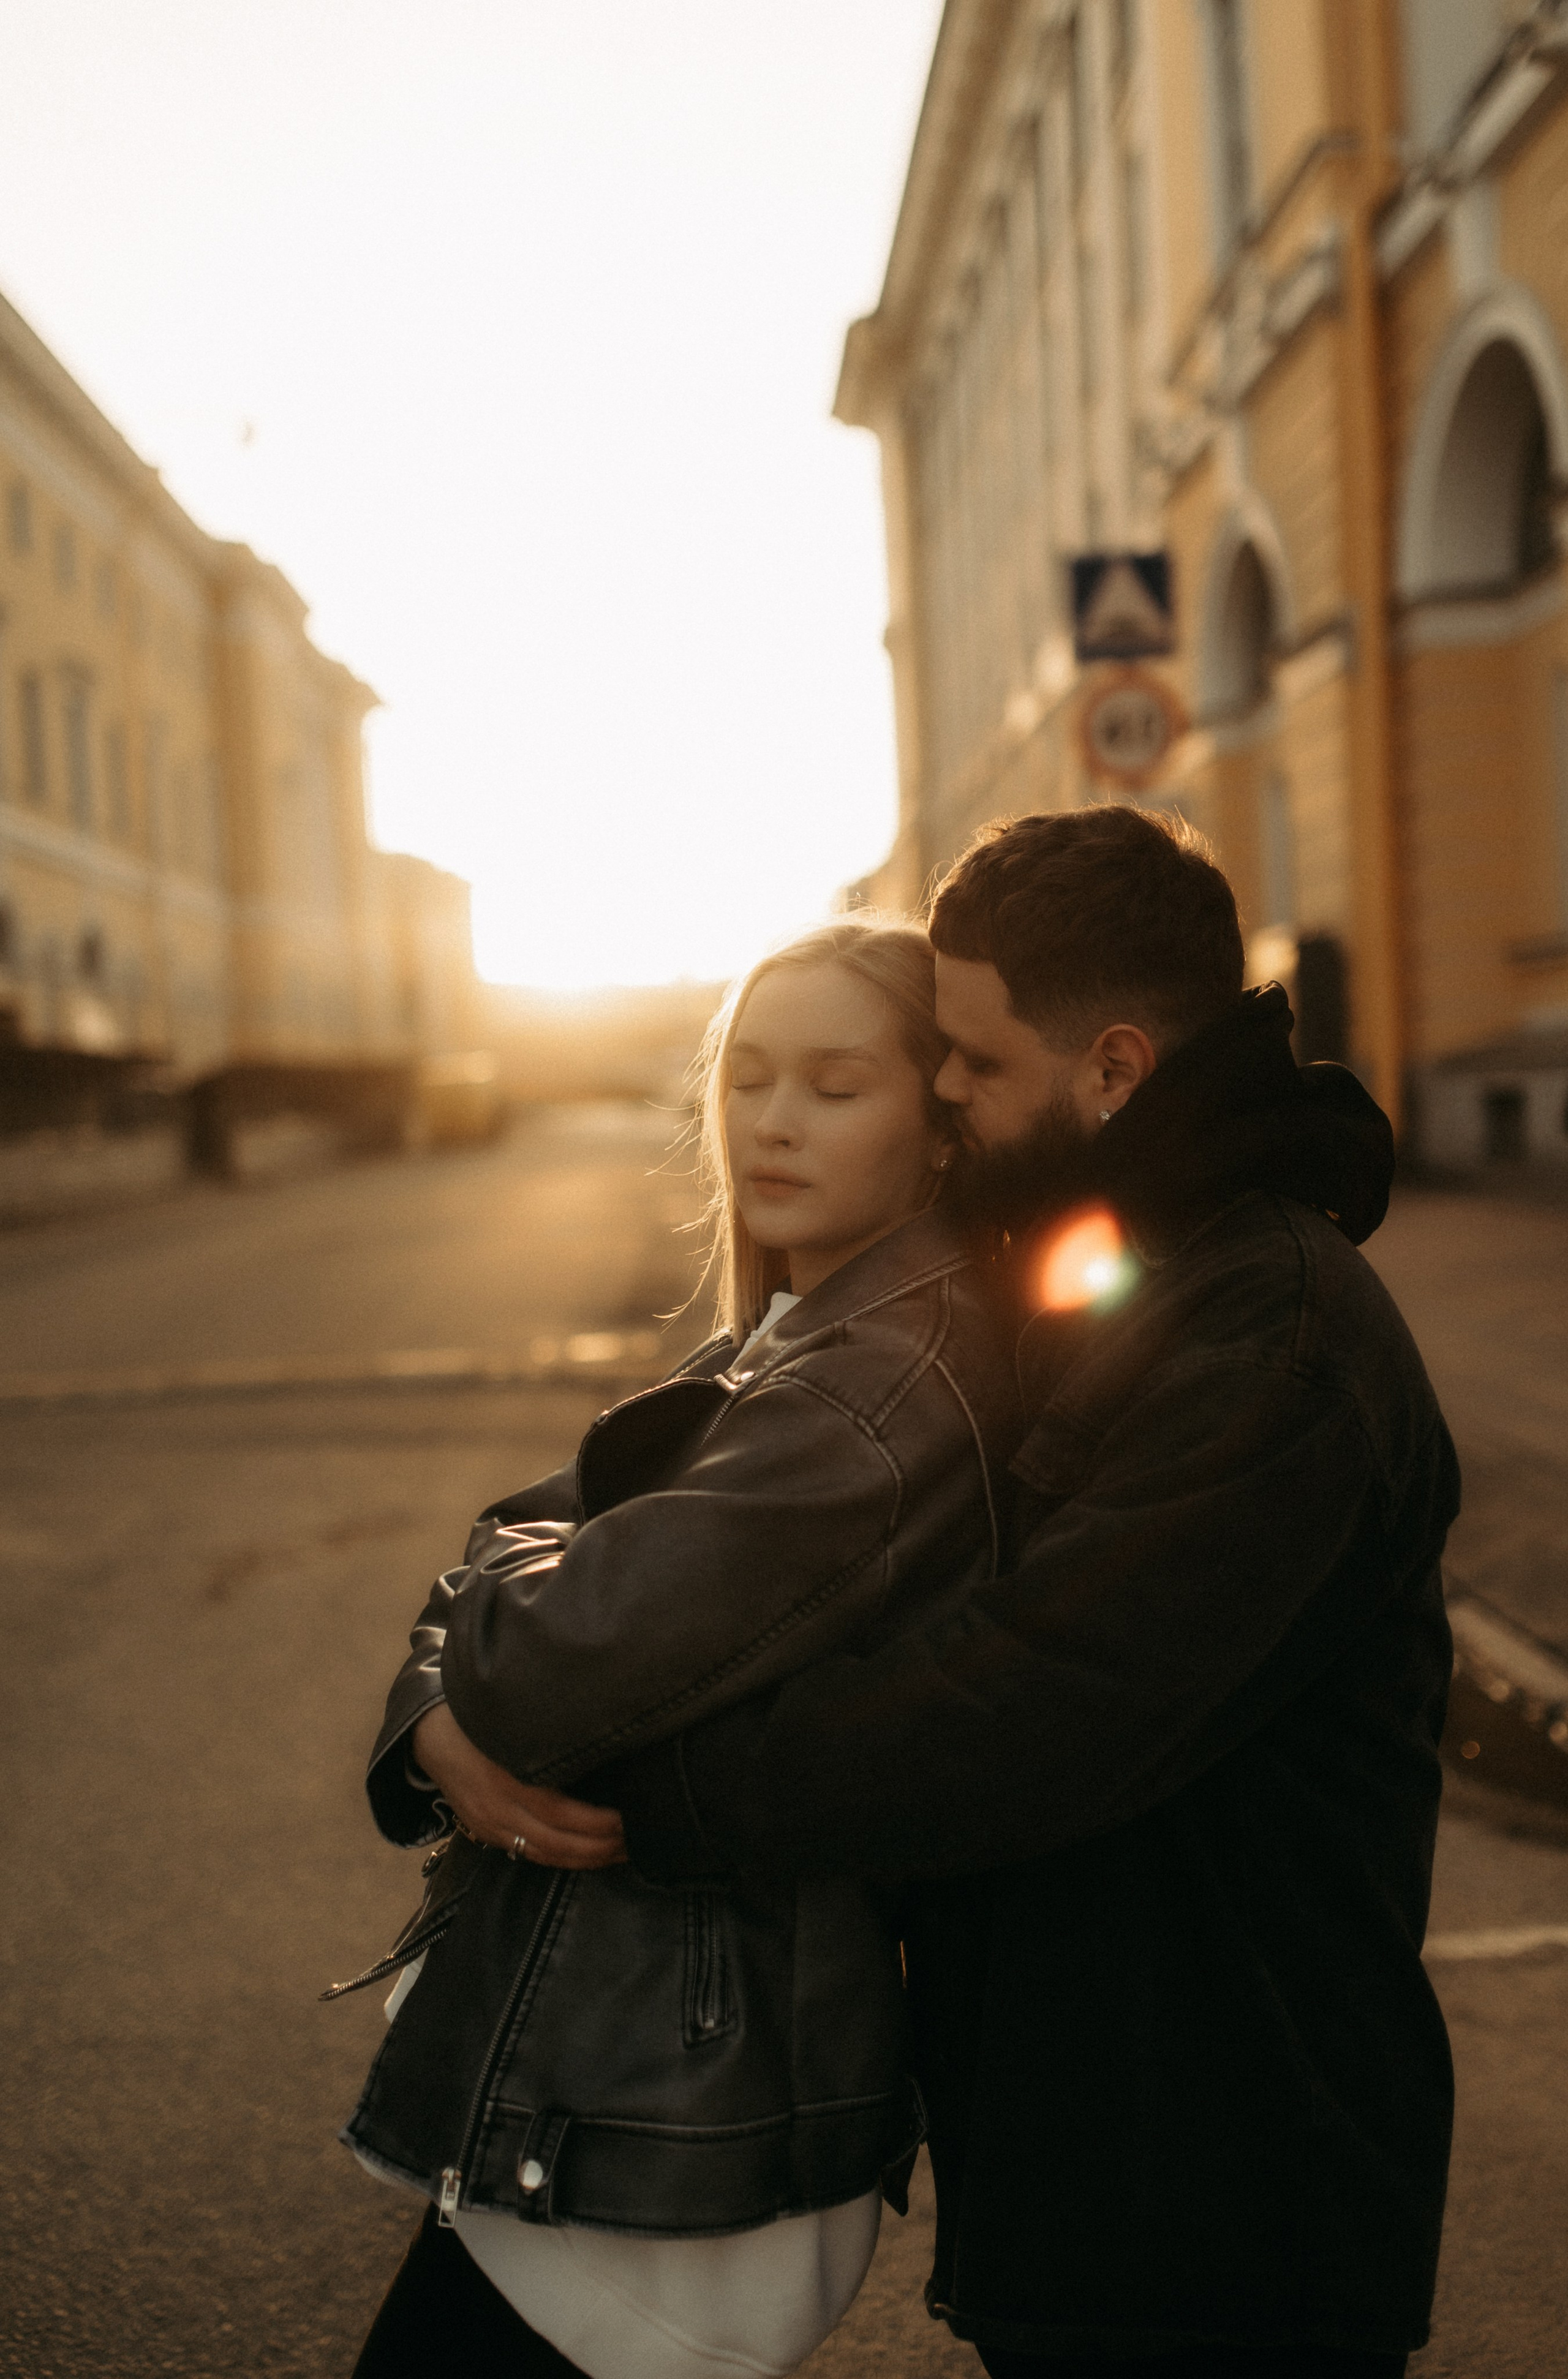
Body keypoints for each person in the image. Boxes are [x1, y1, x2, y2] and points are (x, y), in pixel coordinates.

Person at [581, 809, 1461, 2379]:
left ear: (1111, 1068)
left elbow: (1024, 1707)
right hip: (1097, 2148)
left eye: (972, 1064)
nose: (944, 1094)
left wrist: (651, 1787)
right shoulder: (1102, 1262)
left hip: (1226, 2196)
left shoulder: (1268, 1339)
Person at [333, 918, 1023, 2378]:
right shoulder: (789, 1341)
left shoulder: (868, 1393)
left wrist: (460, 1696)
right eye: (752, 1078)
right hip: (634, 2074)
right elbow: (507, 1541)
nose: (772, 1122)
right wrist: (442, 1708)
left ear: (939, 1125)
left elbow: (548, 1653)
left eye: (836, 1087)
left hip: (672, 2102)